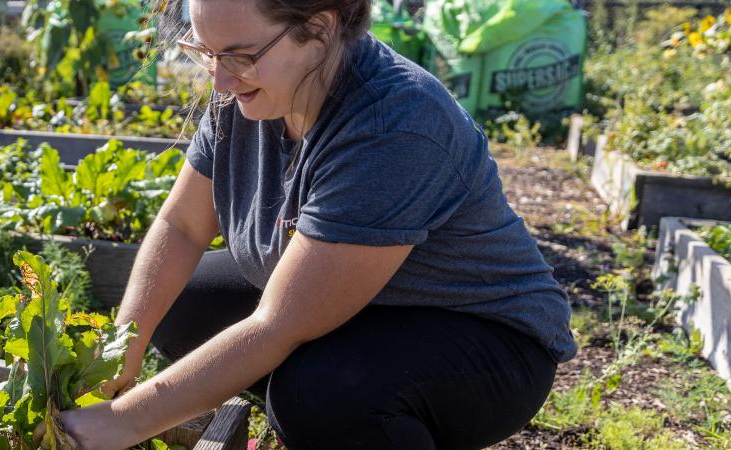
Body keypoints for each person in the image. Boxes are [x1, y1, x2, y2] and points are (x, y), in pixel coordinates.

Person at [57, 1, 576, 448]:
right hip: (358, 304)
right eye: (204, 52)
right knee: (181, 305)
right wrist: (120, 347)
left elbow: (277, 324)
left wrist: (120, 424)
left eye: (239, 55)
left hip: (480, 338)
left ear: (320, 30)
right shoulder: (245, 93)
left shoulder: (393, 124)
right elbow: (183, 226)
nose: (218, 78)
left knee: (317, 395)